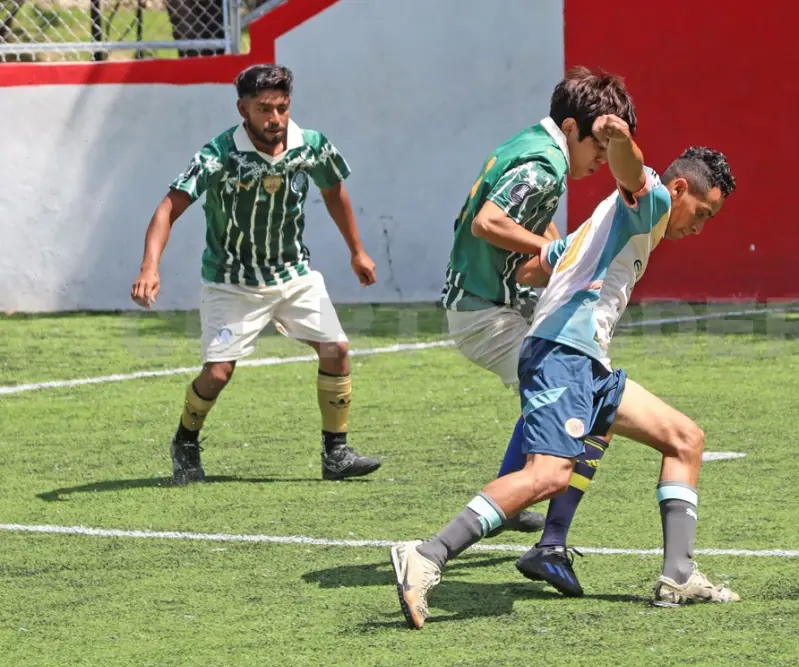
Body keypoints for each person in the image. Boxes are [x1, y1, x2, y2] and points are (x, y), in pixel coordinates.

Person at [391, 115, 740, 629]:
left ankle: (679, 574)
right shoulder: (654, 202)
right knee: (548, 473)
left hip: (587, 362)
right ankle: (429, 554)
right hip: (563, 353)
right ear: (681, 188)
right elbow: (633, 172)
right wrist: (621, 143)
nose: (700, 225)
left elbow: (539, 265)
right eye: (704, 212)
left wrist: (569, 264)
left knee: (685, 439)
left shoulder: (609, 224)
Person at [130, 64, 382, 485]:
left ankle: (335, 453)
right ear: (242, 108)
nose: (275, 119)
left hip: (293, 274)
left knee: (336, 348)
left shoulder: (310, 146)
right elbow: (167, 208)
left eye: (282, 108)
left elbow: (334, 190)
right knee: (217, 374)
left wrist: (357, 251)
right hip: (231, 281)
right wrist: (149, 267)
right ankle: (185, 441)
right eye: (264, 109)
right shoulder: (218, 155)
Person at [438, 67, 636, 574]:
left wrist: (559, 259)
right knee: (573, 385)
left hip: (488, 304)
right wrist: (559, 251)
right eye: (598, 145)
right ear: (572, 128)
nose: (600, 160)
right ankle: (503, 512)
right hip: (485, 313)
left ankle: (513, 500)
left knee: (552, 390)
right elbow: (490, 222)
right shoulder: (546, 164)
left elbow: (529, 220)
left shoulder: (534, 144)